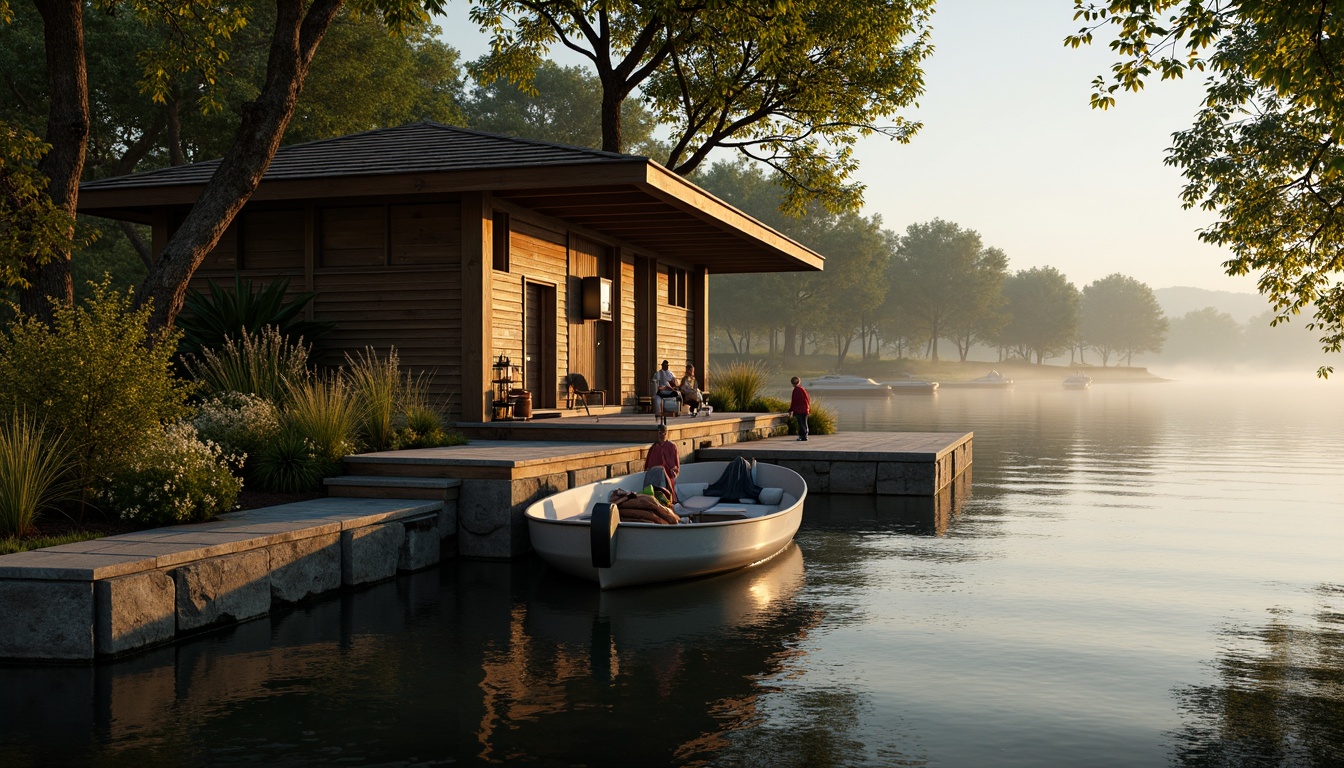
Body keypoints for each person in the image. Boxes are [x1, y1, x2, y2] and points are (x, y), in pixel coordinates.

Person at [644, 423, 680, 500]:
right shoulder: (653, 448)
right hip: (655, 480)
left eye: (664, 433)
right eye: (660, 433)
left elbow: (676, 467)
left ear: (666, 433)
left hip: (668, 478)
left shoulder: (672, 447)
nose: (662, 435)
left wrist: (673, 472)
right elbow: (647, 468)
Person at [789, 376, 810, 441]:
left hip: (799, 410)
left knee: (801, 423)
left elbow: (794, 401)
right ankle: (805, 436)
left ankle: (802, 436)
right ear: (799, 382)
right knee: (804, 423)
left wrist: (791, 410)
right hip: (805, 409)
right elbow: (808, 399)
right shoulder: (802, 389)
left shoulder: (796, 390)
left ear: (792, 383)